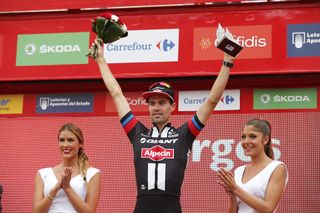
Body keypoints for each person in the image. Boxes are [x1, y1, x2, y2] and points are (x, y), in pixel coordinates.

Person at [93, 37, 236, 213]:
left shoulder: (184, 135)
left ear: (172, 107)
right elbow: (116, 94)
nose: (156, 108)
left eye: (162, 102)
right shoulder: (138, 133)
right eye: (152, 103)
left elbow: (212, 100)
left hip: (171, 207)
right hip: (142, 207)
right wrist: (100, 60)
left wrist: (227, 62)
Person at [217, 118, 288, 213]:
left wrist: (235, 189)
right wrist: (233, 197)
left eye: (253, 136)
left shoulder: (277, 168)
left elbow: (268, 208)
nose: (246, 141)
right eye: (243, 137)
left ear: (265, 139)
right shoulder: (238, 171)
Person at [32, 123, 101, 213]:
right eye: (61, 140)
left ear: (80, 143)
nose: (65, 145)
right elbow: (36, 211)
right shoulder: (43, 174)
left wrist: (67, 188)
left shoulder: (92, 174)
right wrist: (55, 189)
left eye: (70, 140)